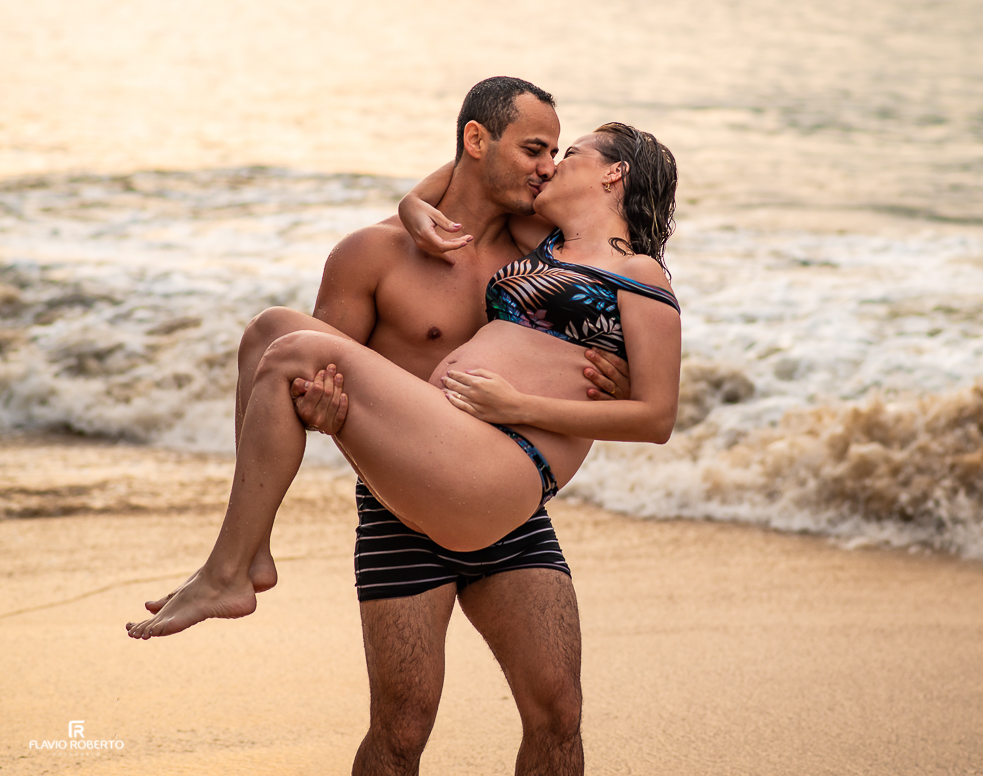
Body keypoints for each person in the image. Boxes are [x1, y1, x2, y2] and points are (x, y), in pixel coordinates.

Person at [126, 77, 681, 775]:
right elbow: (322, 394)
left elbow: (650, 395)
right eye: (537, 149)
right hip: (407, 497)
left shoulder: (551, 244)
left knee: (558, 713)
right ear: (477, 142)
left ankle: (228, 569)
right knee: (400, 727)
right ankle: (244, 555)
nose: (548, 165)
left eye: (559, 152)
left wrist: (552, 398)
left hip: (498, 486)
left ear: (610, 173)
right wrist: (412, 206)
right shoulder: (383, 253)